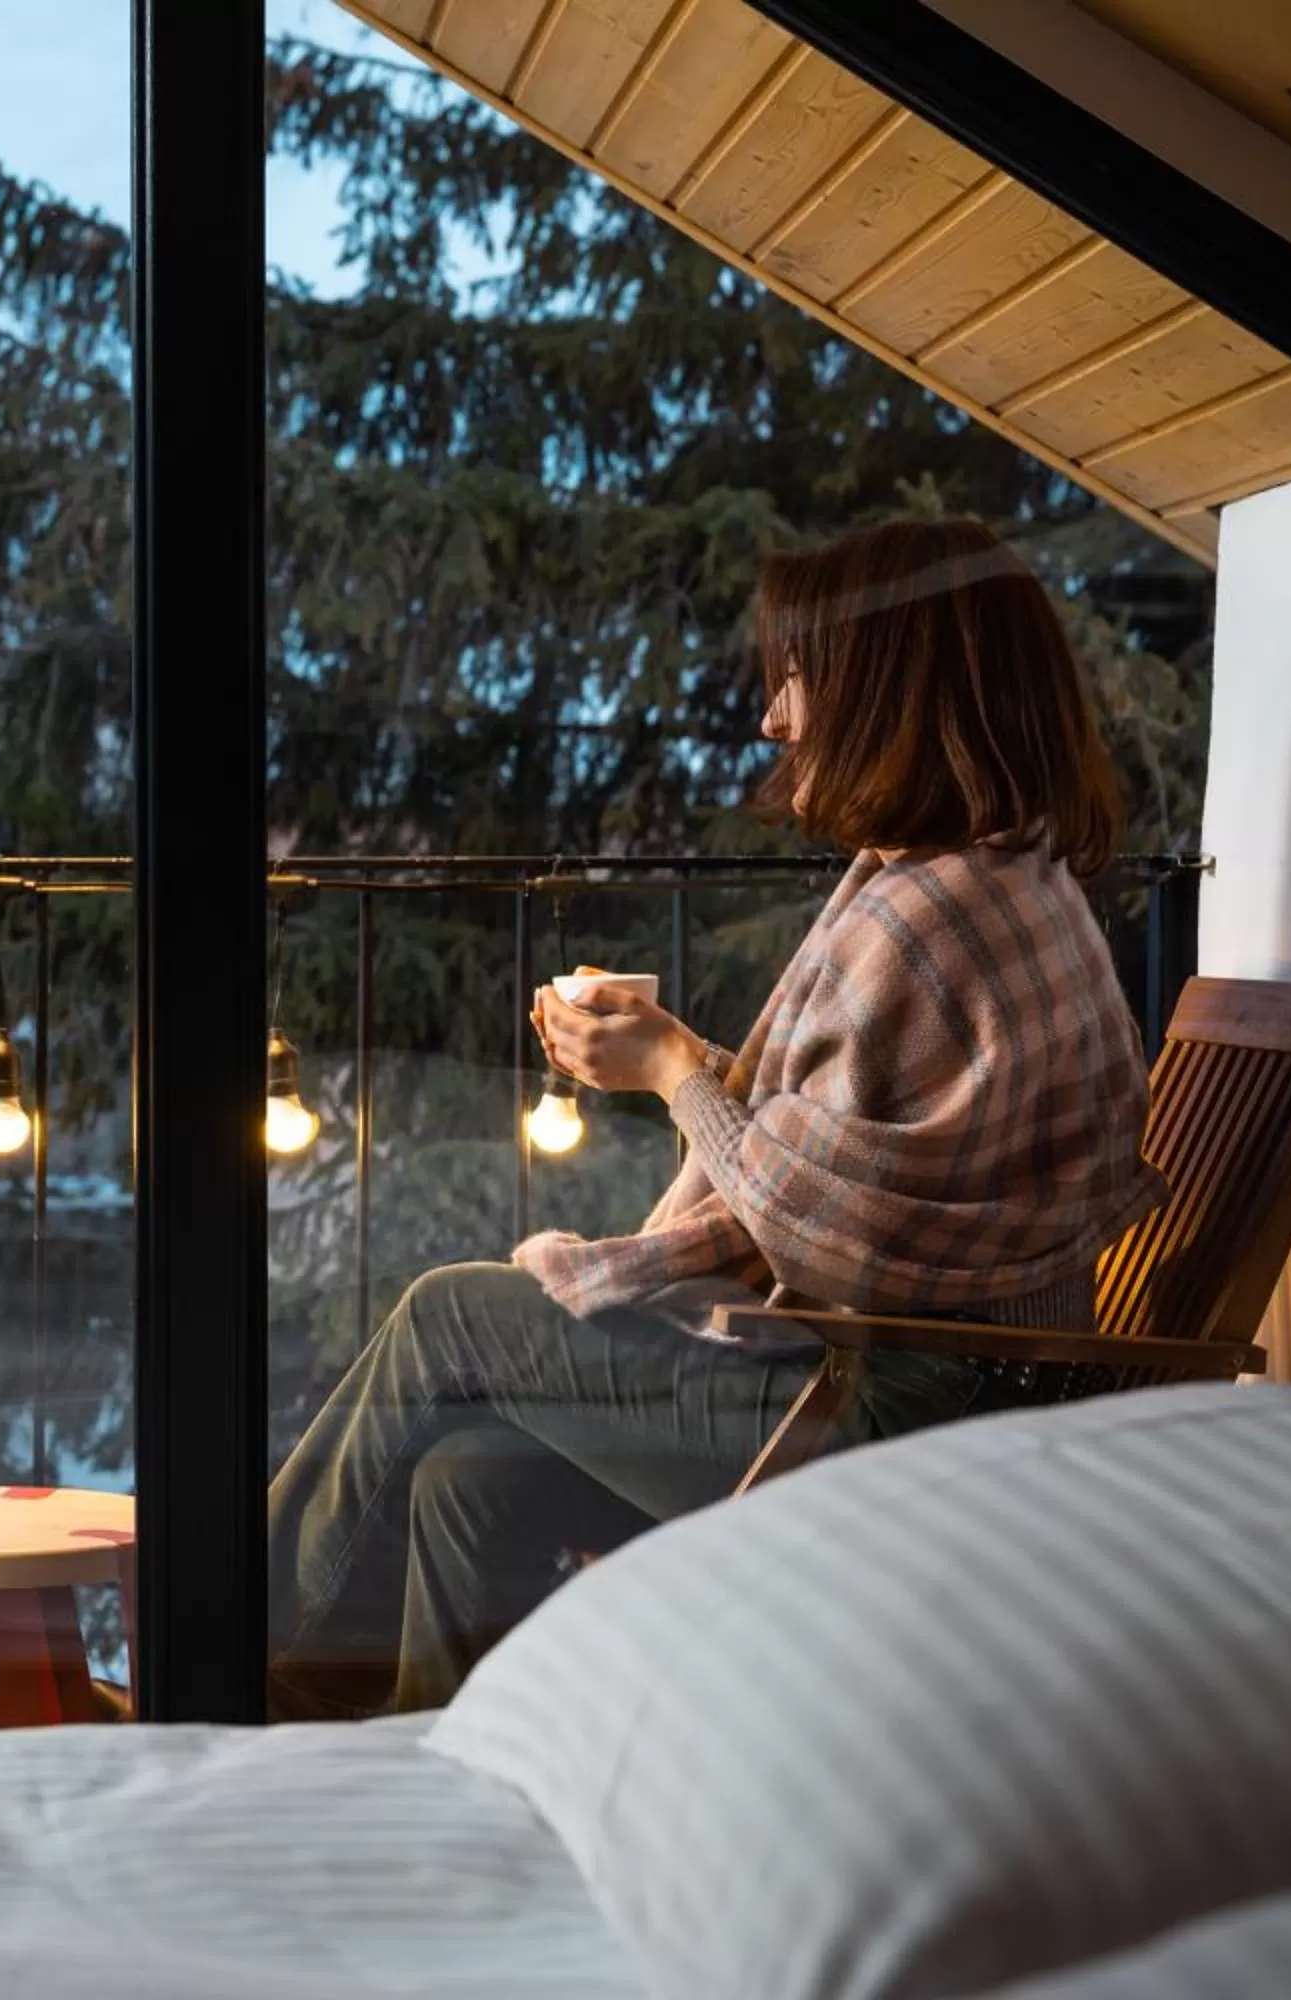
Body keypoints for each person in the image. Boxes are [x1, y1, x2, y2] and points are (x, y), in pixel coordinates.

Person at [266, 517, 1168, 1720]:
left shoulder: (929, 917)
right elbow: (885, 1154)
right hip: (950, 1377)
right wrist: (687, 1065)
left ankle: (227, 1657)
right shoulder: (1009, 885)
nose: (775, 717)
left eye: (796, 675)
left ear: (885, 687)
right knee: (467, 1481)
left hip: (899, 1409)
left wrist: (677, 1068)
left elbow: (830, 1239)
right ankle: (447, 1779)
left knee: (448, 1317)